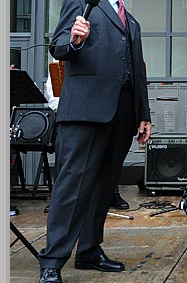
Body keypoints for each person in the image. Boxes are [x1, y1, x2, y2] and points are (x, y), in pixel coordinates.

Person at [38, 0, 152, 283]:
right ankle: (52, 262)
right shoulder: (80, 1)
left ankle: (88, 250)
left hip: (120, 117)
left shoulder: (131, 23)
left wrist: (143, 115)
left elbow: (138, 71)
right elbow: (58, 46)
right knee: (73, 188)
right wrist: (73, 40)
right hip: (85, 112)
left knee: (104, 187)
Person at [44, 70, 130, 210]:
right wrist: (65, 108)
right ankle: (59, 199)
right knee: (66, 159)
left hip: (98, 112)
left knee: (106, 155)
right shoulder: (63, 56)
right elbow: (53, 91)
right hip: (70, 114)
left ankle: (112, 194)